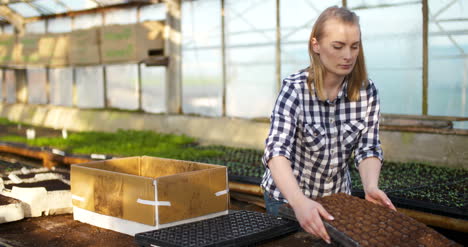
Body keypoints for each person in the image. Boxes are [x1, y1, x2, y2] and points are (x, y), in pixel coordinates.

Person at [261, 6, 396, 244]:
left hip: (337, 197)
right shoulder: (295, 89)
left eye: (355, 46)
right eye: (338, 46)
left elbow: (368, 147)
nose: (348, 55)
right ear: (316, 45)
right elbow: (276, 151)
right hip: (288, 198)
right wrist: (299, 201)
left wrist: (371, 187)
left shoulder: (366, 91)